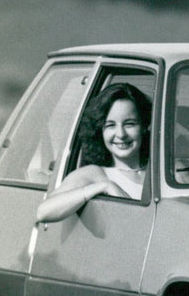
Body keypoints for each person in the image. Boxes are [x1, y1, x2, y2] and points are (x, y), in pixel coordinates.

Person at [35, 83, 152, 223]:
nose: (121, 134)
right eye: (110, 125)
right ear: (99, 131)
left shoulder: (167, 170)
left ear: (144, 126)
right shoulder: (96, 174)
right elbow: (44, 211)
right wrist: (104, 186)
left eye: (129, 124)